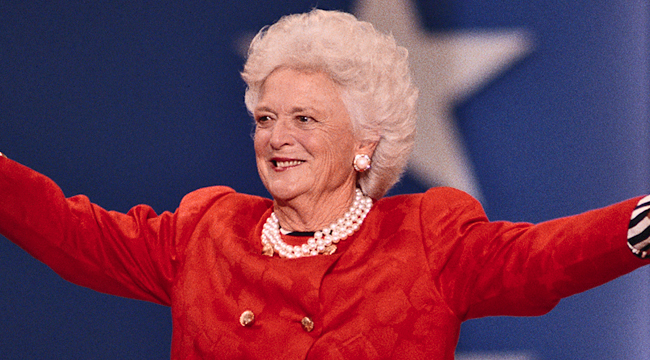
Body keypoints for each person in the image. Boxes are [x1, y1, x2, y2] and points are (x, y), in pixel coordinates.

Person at [1, 9, 649, 360]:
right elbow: (68, 230)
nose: (277, 137)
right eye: (265, 119)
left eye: (304, 119)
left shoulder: (427, 240)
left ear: (365, 141)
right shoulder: (205, 232)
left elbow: (540, 260)